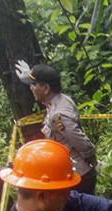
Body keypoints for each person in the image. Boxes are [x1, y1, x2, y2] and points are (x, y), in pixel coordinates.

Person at [14, 61, 99, 197]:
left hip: (78, 175)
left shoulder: (58, 114)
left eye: (34, 85)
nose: (31, 88)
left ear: (46, 88)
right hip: (71, 171)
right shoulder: (59, 101)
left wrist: (93, 162)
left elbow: (79, 141)